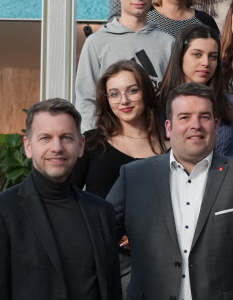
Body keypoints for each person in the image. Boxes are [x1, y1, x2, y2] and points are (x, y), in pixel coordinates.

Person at [107, 83, 233, 300]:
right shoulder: (134, 177)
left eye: (204, 117)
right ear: (168, 127)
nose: (195, 125)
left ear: (216, 124)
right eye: (185, 117)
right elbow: (99, 243)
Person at [0, 98, 125, 300]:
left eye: (66, 137)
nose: (56, 147)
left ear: (80, 146)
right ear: (28, 146)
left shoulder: (101, 212)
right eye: (45, 138)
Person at [76, 0, 174, 132]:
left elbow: (173, 99)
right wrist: (93, 140)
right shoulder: (96, 43)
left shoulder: (168, 42)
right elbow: (86, 100)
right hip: (108, 143)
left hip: (156, 143)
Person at [72, 61, 167, 198]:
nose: (124, 101)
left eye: (133, 90)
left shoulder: (170, 149)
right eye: (114, 94)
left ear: (146, 91)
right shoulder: (91, 143)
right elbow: (68, 197)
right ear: (106, 100)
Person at [158, 24, 233, 156]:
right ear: (180, 55)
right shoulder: (157, 105)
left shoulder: (232, 105)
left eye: (213, 56)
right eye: (197, 54)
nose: (206, 62)